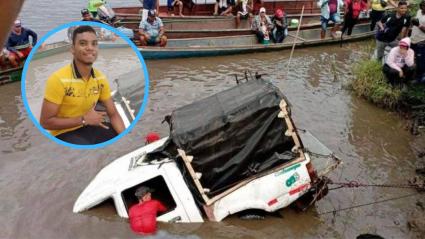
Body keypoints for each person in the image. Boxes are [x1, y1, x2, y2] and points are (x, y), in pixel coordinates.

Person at [40, 25, 125, 145]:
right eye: (83, 43)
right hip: (64, 133)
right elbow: (45, 122)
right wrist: (83, 119)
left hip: (92, 126)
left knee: (118, 138)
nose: (90, 48)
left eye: (94, 44)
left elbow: (113, 114)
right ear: (72, 49)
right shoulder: (58, 79)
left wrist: (125, 138)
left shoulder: (100, 78)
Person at [411, 0, 425, 83]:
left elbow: (418, 25)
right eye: (422, 6)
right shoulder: (419, 11)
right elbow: (416, 21)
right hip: (413, 39)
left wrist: (419, 25)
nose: (423, 8)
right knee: (414, 59)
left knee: (421, 60)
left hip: (422, 41)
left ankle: (420, 78)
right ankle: (416, 75)